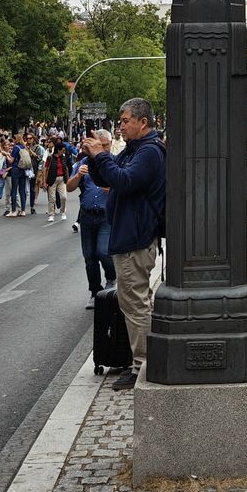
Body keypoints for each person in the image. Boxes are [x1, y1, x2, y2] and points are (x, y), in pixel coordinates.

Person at [84, 99, 166, 392]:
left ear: (142, 122)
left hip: (136, 237)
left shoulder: (149, 152)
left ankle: (143, 366)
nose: (120, 126)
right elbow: (107, 177)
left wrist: (102, 157)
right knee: (134, 301)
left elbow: (125, 182)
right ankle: (143, 361)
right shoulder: (134, 150)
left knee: (135, 304)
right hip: (128, 235)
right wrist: (95, 158)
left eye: (125, 121)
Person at [66, 131, 115, 308]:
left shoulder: (113, 162)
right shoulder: (83, 163)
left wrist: (113, 189)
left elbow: (126, 185)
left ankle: (111, 279)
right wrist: (78, 175)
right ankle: (95, 291)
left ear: (110, 144)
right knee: (89, 256)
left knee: (103, 252)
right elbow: (69, 187)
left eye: (105, 145)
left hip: (106, 215)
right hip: (87, 215)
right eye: (98, 145)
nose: (101, 149)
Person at [41, 139, 69, 223]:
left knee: (63, 197)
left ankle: (63, 212)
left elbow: (66, 168)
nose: (63, 152)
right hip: (52, 179)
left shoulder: (63, 158)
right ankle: (51, 214)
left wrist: (67, 179)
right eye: (62, 150)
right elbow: (45, 169)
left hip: (62, 179)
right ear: (58, 150)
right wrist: (44, 182)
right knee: (52, 198)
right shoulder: (50, 158)